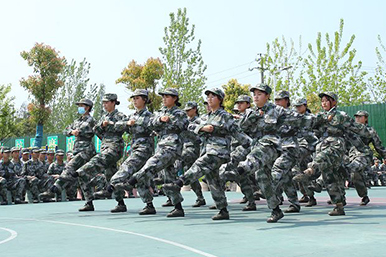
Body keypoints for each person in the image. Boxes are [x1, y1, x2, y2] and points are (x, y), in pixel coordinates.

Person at [163, 88, 252, 220]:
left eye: (213, 97)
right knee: (213, 180)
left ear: (220, 100)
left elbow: (237, 133)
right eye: (208, 97)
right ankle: (222, 209)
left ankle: (179, 183)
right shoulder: (205, 118)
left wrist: (248, 146)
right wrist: (202, 128)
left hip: (219, 152)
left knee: (200, 164)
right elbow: (189, 126)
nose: (209, 99)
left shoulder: (225, 116)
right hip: (206, 150)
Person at [294, 92, 370, 216]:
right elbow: (310, 127)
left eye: (326, 100)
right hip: (322, 145)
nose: (323, 103)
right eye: (322, 101)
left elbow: (354, 129)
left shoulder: (341, 115)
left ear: (333, 102)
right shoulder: (319, 116)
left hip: (336, 145)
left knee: (320, 158)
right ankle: (339, 206)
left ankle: (310, 172)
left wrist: (365, 142)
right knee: (330, 177)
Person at [128, 88, 188, 217]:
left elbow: (182, 125)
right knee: (168, 177)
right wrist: (160, 120)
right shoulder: (160, 113)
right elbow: (150, 124)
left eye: (167, 96)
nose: (164, 99)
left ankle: (132, 180)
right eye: (163, 97)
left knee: (152, 163)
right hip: (161, 145)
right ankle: (177, 207)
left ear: (175, 99)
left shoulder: (179, 113)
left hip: (172, 147)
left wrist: (168, 120)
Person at [74, 94, 126, 211]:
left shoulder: (120, 116)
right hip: (105, 146)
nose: (104, 105)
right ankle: (120, 203)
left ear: (113, 102)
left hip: (115, 147)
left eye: (107, 102)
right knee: (110, 175)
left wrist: (111, 125)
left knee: (99, 160)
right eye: (103, 103)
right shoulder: (103, 117)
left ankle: (82, 171)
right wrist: (102, 126)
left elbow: (125, 127)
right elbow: (96, 130)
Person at [108, 89, 155, 214]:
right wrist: (127, 123)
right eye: (133, 98)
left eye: (137, 98)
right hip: (134, 147)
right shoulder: (132, 116)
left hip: (144, 148)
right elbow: (117, 125)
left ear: (144, 100)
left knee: (127, 166)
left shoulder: (149, 116)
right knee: (140, 178)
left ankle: (114, 184)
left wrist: (134, 123)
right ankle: (149, 205)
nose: (134, 100)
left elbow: (151, 125)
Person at [51, 99, 96, 203]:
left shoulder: (91, 120)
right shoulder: (77, 121)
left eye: (81, 105)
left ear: (87, 107)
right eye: (79, 105)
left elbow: (91, 131)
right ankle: (89, 202)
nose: (79, 107)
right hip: (77, 149)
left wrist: (79, 132)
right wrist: (72, 131)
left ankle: (58, 185)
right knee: (82, 176)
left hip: (86, 150)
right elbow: (65, 130)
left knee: (71, 165)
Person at [272, 90, 302, 213]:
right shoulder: (273, 115)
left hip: (290, 148)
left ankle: (271, 192)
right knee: (286, 178)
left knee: (277, 170)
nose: (277, 102)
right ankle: (294, 203)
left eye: (280, 100)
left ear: (287, 101)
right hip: (278, 148)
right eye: (276, 100)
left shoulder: (292, 114)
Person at [179, 101, 206, 207]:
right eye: (186, 110)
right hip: (185, 148)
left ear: (195, 109)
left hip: (196, 148)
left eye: (189, 110)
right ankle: (200, 197)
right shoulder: (185, 121)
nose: (187, 112)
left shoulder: (200, 120)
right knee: (190, 175)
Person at [292, 98, 318, 207]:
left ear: (305, 106)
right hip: (297, 146)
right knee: (300, 175)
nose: (298, 108)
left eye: (300, 106)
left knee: (304, 173)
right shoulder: (295, 118)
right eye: (296, 106)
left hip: (307, 148)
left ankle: (311, 196)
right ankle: (307, 195)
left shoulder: (312, 118)